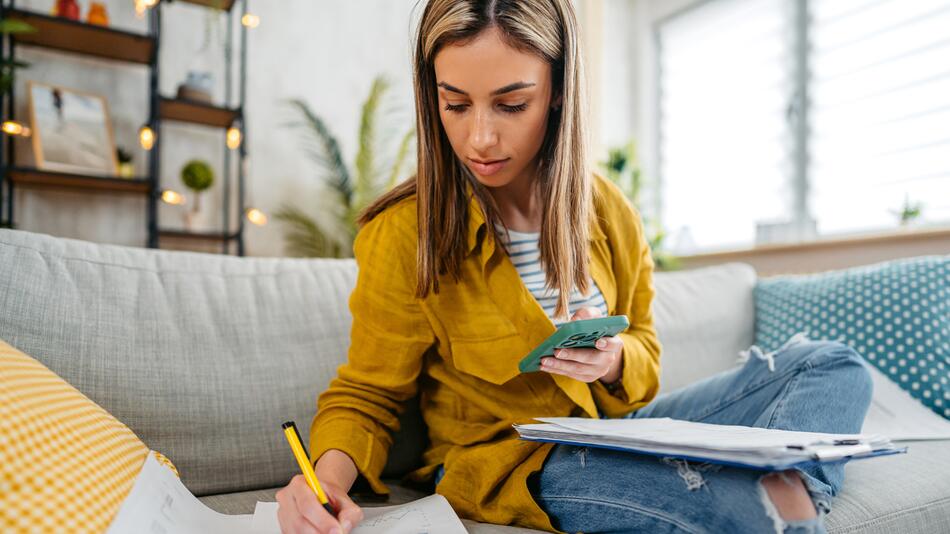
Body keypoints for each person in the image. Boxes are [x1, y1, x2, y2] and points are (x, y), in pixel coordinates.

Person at [275, 1, 874, 533]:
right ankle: (775, 499)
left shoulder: (609, 210)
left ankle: (788, 491)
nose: (479, 137)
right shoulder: (406, 231)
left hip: (623, 431)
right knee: (741, 510)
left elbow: (644, 350)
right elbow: (368, 394)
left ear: (558, 88)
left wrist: (613, 361)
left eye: (511, 104)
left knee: (833, 364)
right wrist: (323, 480)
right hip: (516, 461)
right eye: (454, 104)